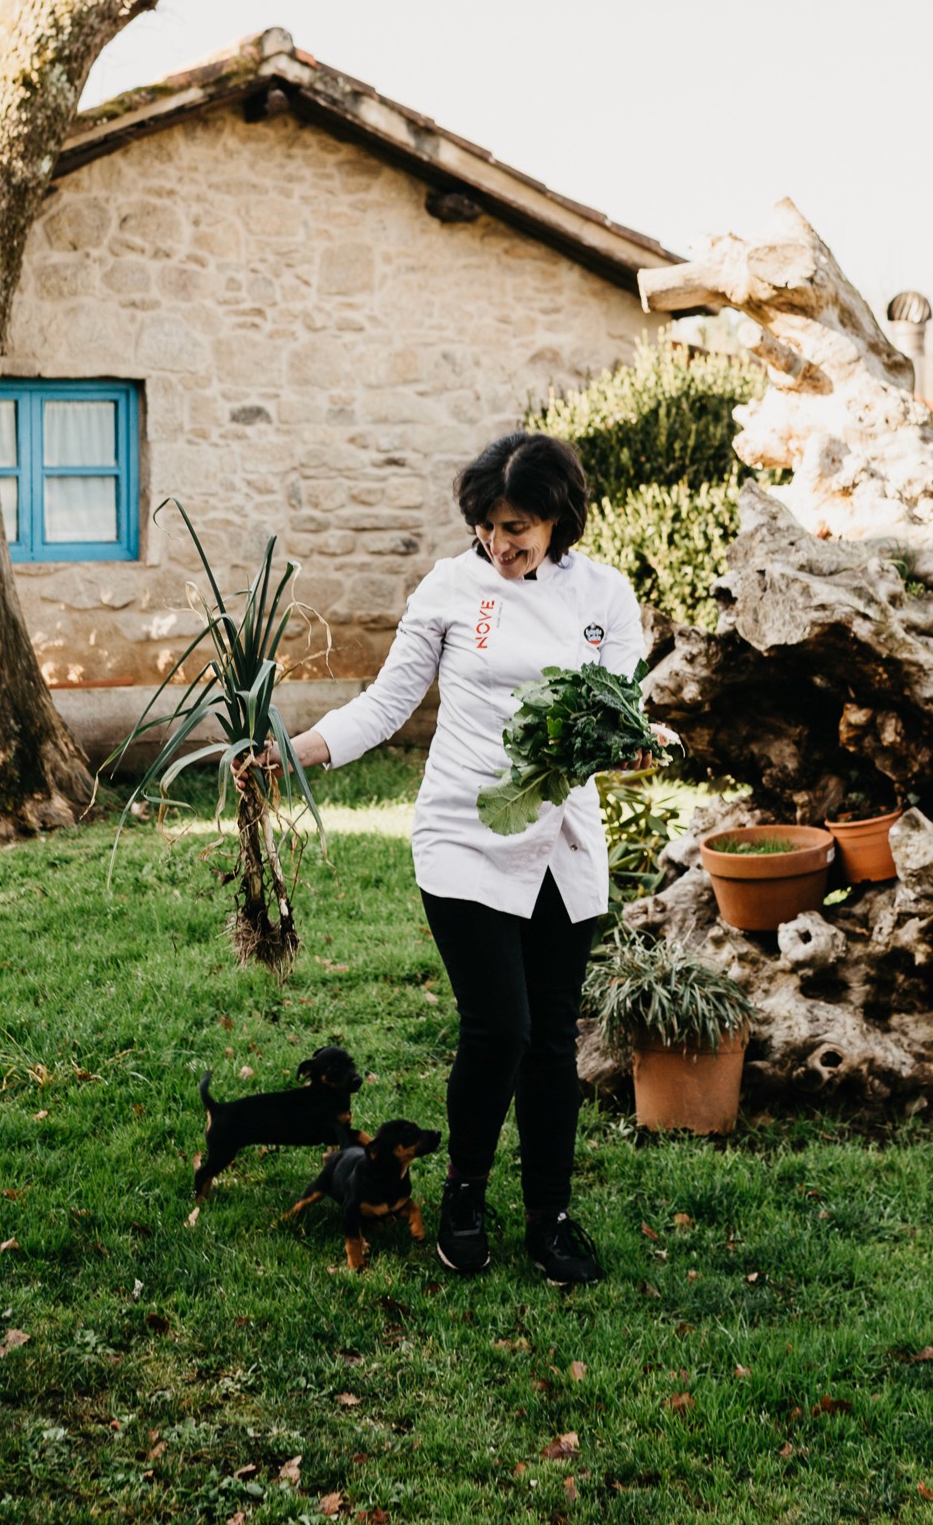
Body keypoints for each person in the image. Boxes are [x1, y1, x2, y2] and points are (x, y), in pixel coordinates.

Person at [276, 431, 659, 1285]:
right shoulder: (452, 587)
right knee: (501, 1031)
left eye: (516, 526)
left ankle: (550, 1220)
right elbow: (388, 702)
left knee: (552, 1041)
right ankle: (462, 1194)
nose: (499, 543)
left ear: (560, 515)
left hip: (560, 844)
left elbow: (626, 708)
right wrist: (294, 751)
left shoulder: (604, 594)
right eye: (486, 526)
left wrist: (635, 739)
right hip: (462, 836)